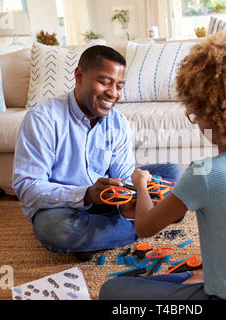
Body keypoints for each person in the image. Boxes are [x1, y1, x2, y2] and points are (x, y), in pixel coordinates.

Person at [99, 31, 226, 300]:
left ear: (209, 111)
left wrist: (141, 185)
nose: (194, 120)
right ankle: (202, 277)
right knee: (190, 273)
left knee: (112, 292)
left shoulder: (203, 173)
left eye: (194, 111)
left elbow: (144, 227)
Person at [12, 45, 183, 262]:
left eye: (119, 86)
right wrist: (86, 194)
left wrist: (132, 194)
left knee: (173, 171)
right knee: (53, 230)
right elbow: (27, 187)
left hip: (109, 201)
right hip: (66, 207)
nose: (113, 93)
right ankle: (151, 221)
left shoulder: (117, 121)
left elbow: (124, 173)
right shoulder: (43, 119)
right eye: (104, 82)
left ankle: (99, 236)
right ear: (79, 76)